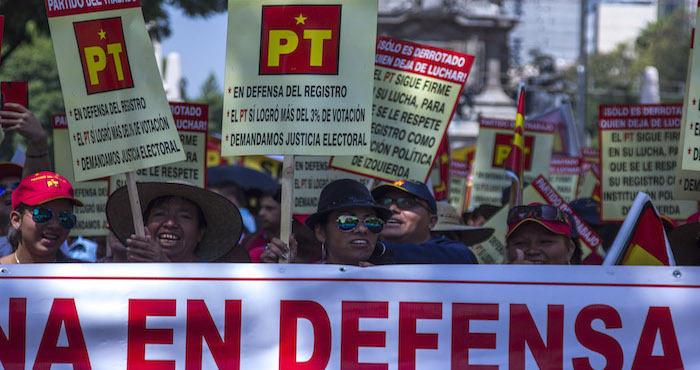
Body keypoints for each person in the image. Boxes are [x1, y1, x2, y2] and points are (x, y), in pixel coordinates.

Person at [106, 182, 250, 262]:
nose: (170, 223)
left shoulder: (215, 278)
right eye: (159, 214)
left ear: (201, 232)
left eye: (184, 216)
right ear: (144, 225)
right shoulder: (127, 274)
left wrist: (163, 265)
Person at [260, 179, 393, 265]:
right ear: (321, 232)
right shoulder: (303, 281)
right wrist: (276, 275)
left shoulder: (395, 283)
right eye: (347, 221)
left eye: (372, 222)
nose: (362, 229)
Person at [371, 180, 485, 264]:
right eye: (383, 202)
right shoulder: (358, 247)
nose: (392, 208)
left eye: (406, 203)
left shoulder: (456, 254)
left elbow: (465, 257)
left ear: (432, 221)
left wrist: (379, 252)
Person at [0, 104, 54, 257]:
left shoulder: (46, 239)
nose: (9, 190)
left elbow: (38, 188)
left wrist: (38, 142)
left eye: (17, 186)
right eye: (1, 188)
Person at [0, 171, 83, 264]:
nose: (55, 225)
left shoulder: (84, 274)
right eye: (42, 214)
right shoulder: (3, 273)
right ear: (17, 220)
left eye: (66, 217)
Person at [505, 203, 576, 264]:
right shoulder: (497, 278)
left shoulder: (585, 279)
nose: (532, 251)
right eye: (521, 243)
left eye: (545, 242)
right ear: (507, 251)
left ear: (569, 249)